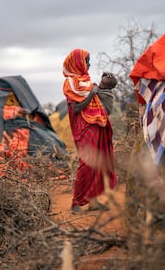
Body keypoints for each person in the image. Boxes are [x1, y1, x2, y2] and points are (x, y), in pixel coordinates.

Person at [62, 48, 117, 213]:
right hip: (84, 126)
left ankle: (93, 201)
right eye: (87, 61)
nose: (89, 64)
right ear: (78, 63)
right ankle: (76, 203)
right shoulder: (70, 83)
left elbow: (100, 102)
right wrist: (91, 93)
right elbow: (77, 108)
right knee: (86, 163)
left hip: (97, 125)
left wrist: (102, 88)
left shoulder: (87, 81)